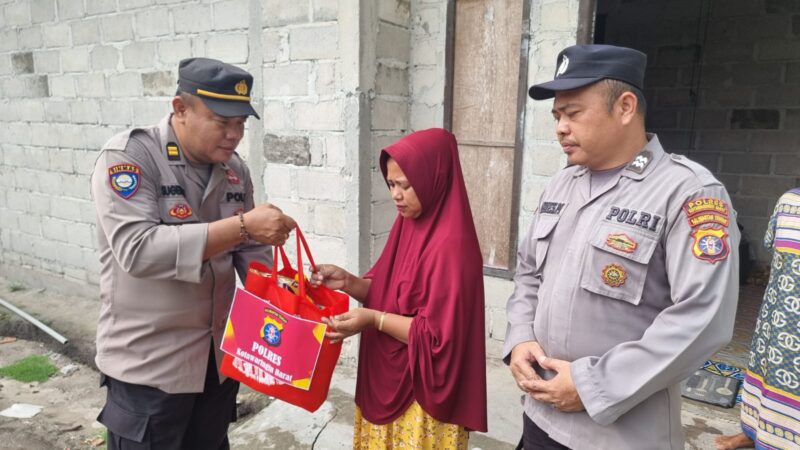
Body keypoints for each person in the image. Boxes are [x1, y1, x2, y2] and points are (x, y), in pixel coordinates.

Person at [504, 44, 740, 450]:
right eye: (557, 116)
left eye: (573, 113)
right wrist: (521, 337)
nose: (560, 127)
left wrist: (593, 385)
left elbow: (703, 317)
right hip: (539, 417)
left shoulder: (687, 192)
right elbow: (528, 271)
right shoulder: (563, 183)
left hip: (618, 435)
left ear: (626, 107)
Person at [90, 57, 296, 449]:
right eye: (222, 122)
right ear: (180, 109)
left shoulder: (235, 170)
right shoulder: (130, 158)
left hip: (219, 362)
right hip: (150, 367)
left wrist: (290, 295)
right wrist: (241, 227)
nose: (234, 134)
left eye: (241, 124)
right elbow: (137, 250)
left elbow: (252, 254)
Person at [309, 128, 488, 448]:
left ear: (435, 178)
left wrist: (373, 320)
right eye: (391, 184)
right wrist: (350, 283)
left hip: (420, 399)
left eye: (406, 185)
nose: (396, 195)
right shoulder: (408, 225)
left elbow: (438, 340)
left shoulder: (453, 247)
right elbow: (394, 293)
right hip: (386, 377)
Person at [715, 189, 800, 450]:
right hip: (782, 314)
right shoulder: (789, 201)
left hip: (783, 314)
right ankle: (755, 432)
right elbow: (771, 243)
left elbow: (768, 242)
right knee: (768, 372)